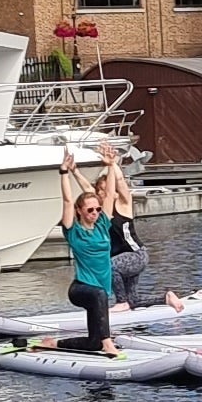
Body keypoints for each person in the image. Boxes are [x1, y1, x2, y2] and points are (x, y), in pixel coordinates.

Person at [57, 144, 146, 351]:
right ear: (80, 211)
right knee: (99, 296)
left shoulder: (102, 225)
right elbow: (68, 200)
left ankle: (53, 343)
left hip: (100, 291)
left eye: (97, 209)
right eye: (90, 209)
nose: (95, 212)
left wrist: (111, 165)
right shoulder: (73, 230)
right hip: (81, 289)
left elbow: (109, 194)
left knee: (92, 342)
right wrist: (64, 172)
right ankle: (108, 343)